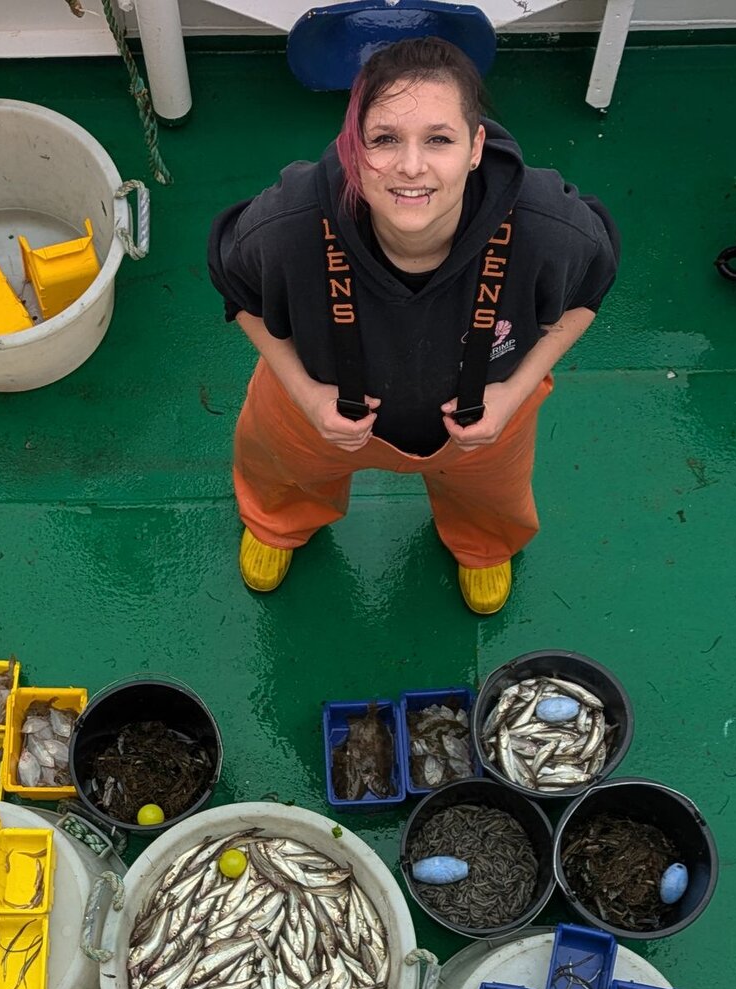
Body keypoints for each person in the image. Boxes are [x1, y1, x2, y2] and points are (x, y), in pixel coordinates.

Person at [209, 37, 619, 616]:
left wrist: (514, 392)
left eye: (439, 140)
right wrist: (304, 394)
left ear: (476, 147)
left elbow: (588, 293)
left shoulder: (548, 225)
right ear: (353, 148)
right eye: (383, 140)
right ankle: (278, 524)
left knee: (490, 496)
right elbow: (240, 292)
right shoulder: (287, 222)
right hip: (314, 406)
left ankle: (482, 544)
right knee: (283, 473)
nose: (410, 166)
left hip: (486, 418)